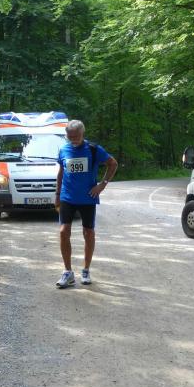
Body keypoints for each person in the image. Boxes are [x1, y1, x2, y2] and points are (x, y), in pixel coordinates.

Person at [54, 119, 118, 288]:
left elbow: (113, 164)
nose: (73, 139)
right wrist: (57, 194)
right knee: (63, 232)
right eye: (70, 136)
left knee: (88, 233)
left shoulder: (93, 149)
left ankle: (86, 270)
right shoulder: (63, 149)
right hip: (67, 197)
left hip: (88, 198)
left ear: (82, 133)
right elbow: (61, 172)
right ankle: (67, 272)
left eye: (76, 136)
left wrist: (102, 185)